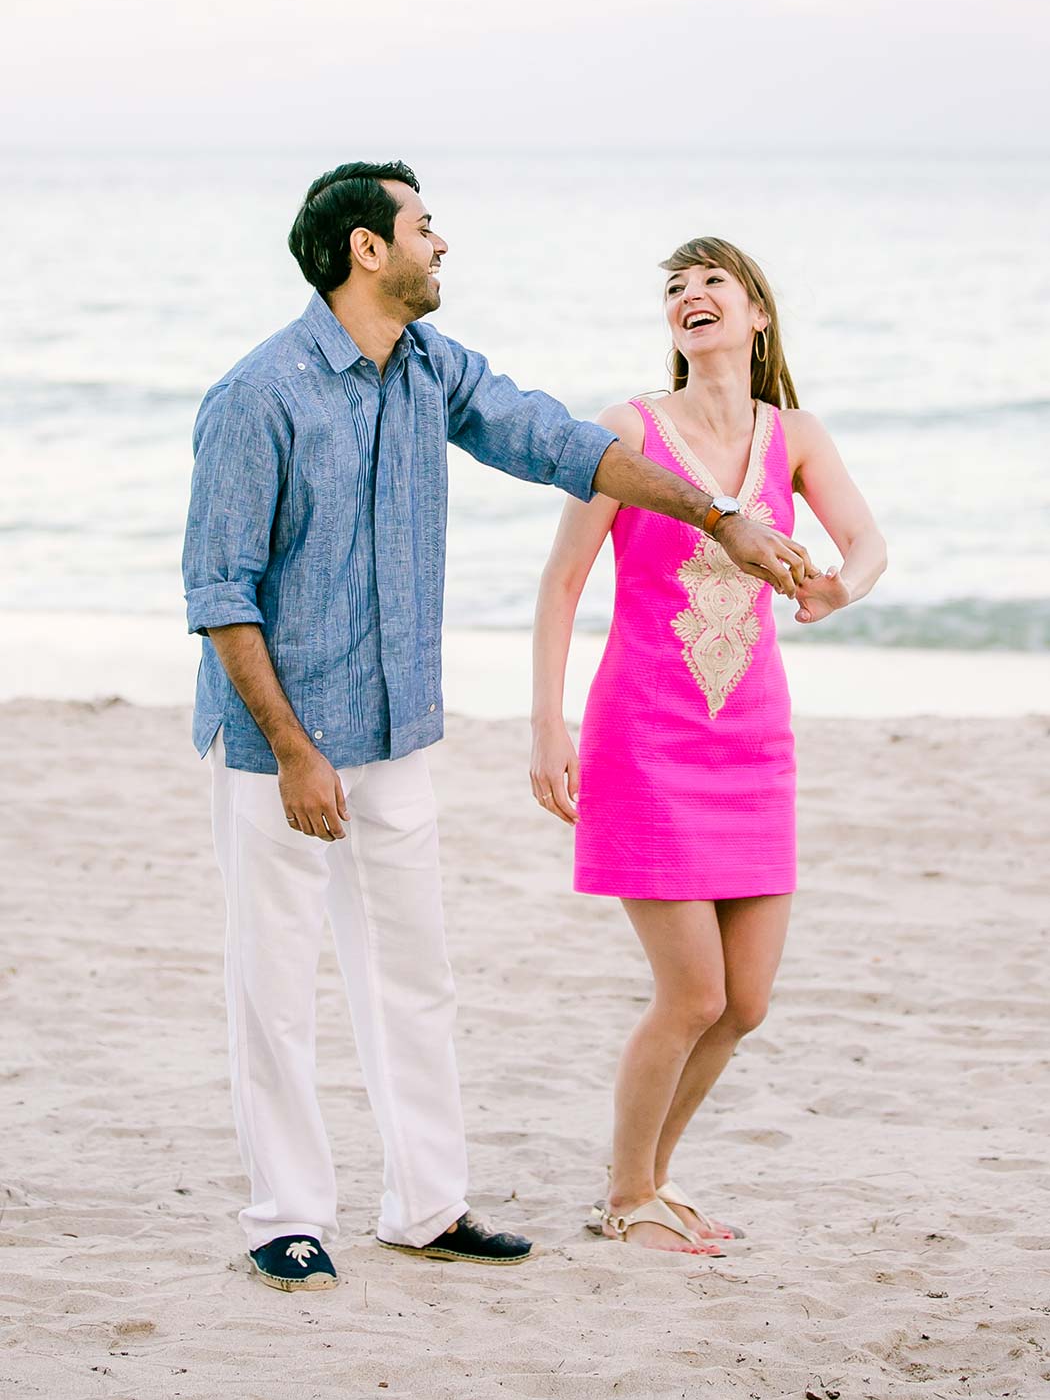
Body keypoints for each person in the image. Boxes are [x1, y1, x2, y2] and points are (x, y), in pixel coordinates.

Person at [182, 169, 815, 1292]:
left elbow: (564, 447)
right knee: (274, 984)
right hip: (279, 746)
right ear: (369, 250)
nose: (441, 243)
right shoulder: (258, 395)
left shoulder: (436, 369)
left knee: (413, 977)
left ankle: (425, 1206)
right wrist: (292, 752)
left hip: (399, 730)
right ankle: (284, 1212)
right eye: (424, 227)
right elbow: (220, 593)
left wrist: (719, 513)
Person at [530, 236, 887, 1256]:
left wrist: (835, 590)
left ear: (756, 314)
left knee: (747, 1004)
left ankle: (653, 1181)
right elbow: (562, 583)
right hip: (642, 737)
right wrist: (547, 723)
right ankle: (625, 1194)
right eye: (675, 289)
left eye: (711, 283)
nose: (690, 297)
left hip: (755, 741)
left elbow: (869, 546)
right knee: (692, 993)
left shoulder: (796, 435)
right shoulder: (626, 431)